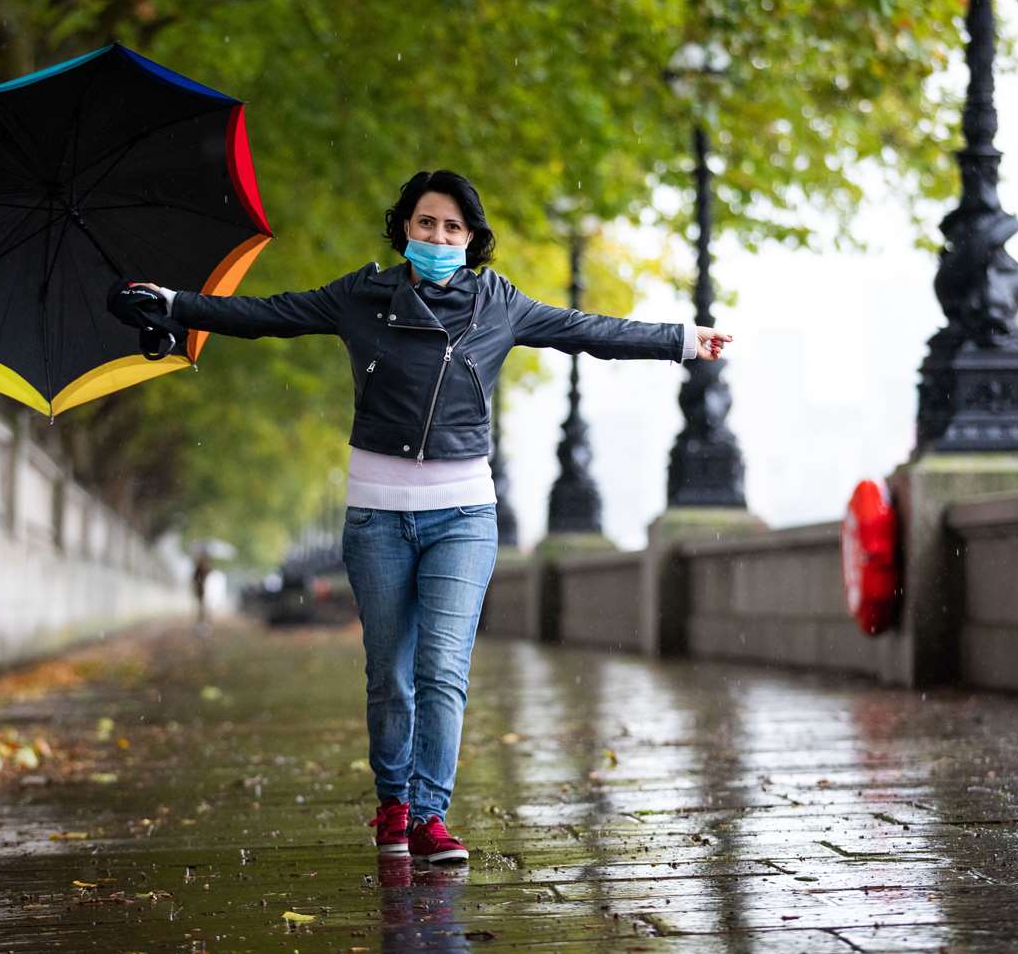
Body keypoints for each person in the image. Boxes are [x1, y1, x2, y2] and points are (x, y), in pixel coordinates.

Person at [126, 170, 732, 864]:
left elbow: (585, 330)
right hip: (377, 518)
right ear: (404, 229)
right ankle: (393, 802)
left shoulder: (499, 304)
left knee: (443, 669)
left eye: (452, 228)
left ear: (471, 239)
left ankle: (429, 817)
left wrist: (681, 339)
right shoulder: (360, 297)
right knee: (390, 673)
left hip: (464, 518)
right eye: (425, 224)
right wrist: (174, 304)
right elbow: (268, 315)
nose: (438, 237)